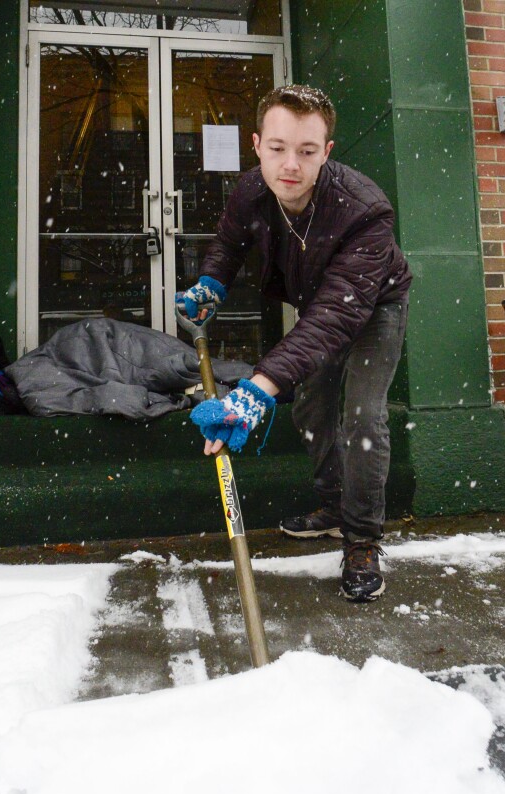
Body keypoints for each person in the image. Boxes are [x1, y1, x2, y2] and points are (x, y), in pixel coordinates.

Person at [177, 84, 412, 603]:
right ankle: (333, 506)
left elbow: (332, 317)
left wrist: (256, 390)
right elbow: (230, 242)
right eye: (278, 148)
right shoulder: (249, 191)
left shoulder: (366, 211)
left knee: (362, 415)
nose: (290, 164)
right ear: (257, 144)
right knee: (310, 404)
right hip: (320, 307)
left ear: (326, 153)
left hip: (373, 308)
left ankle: (362, 539)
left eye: (306, 151)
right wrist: (211, 283)